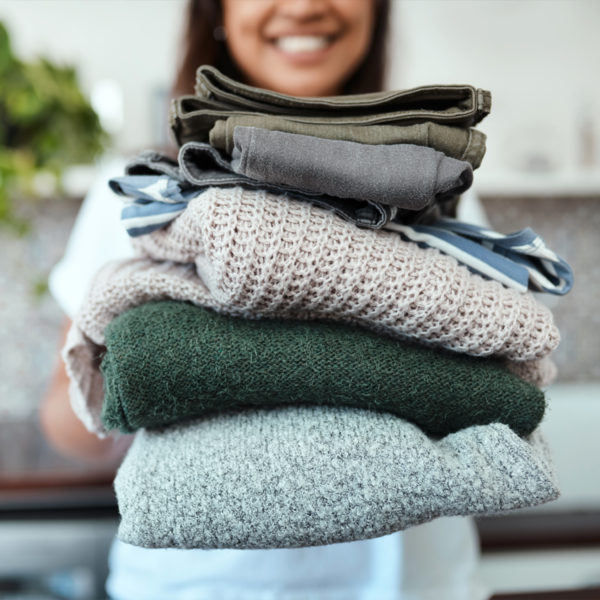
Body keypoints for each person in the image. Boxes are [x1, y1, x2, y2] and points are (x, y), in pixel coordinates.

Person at [42, 1, 487, 598]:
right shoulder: (149, 194)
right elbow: (66, 417)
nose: (304, 6)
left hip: (418, 585)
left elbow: (496, 385)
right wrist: (143, 380)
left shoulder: (432, 185)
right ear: (216, 10)